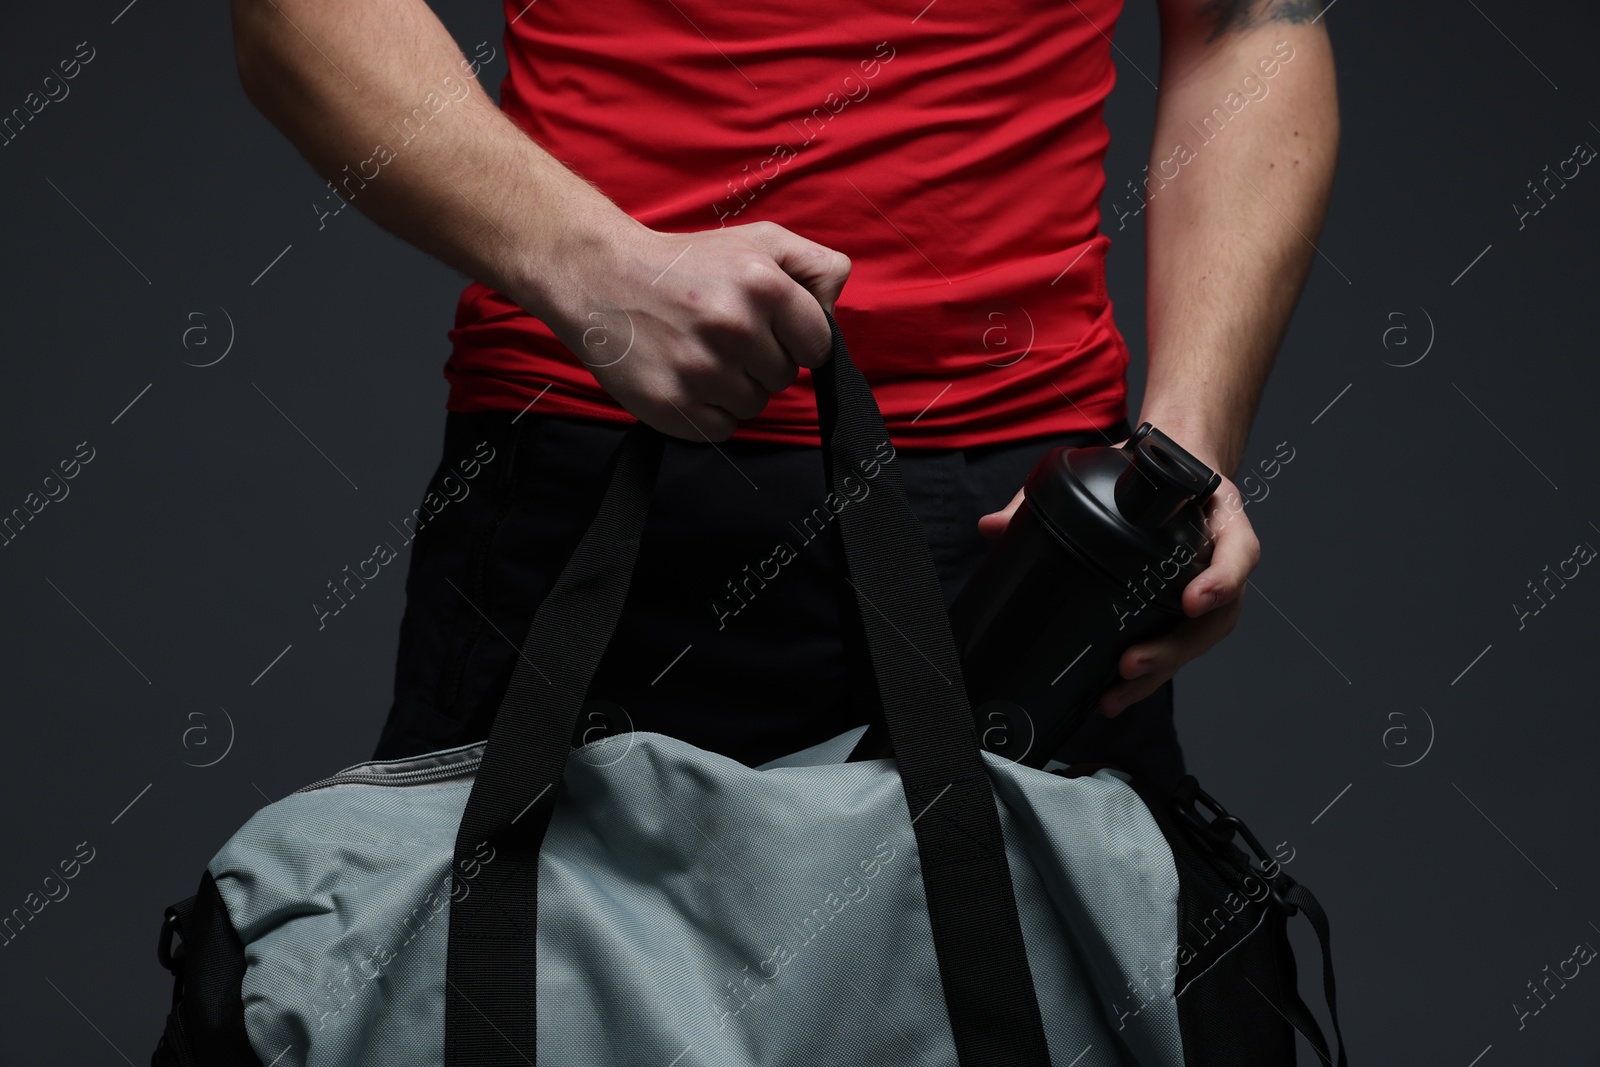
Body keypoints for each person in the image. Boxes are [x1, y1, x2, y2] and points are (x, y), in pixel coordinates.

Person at [231, 0, 1337, 791]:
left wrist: (1180, 461)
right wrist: (592, 263)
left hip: (1024, 529)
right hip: (595, 466)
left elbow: (1251, 24)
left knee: (1042, 999)